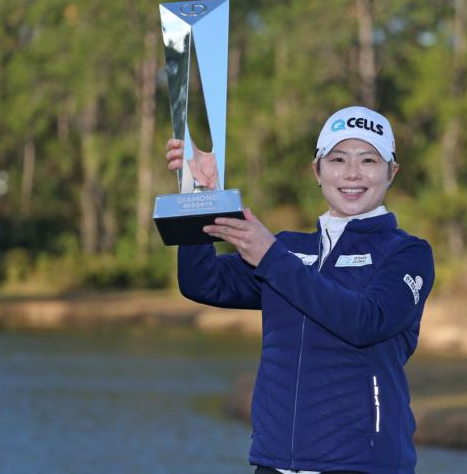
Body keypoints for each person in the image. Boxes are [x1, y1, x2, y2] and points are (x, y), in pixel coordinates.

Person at [166, 106, 435, 474]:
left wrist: (271, 257)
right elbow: (202, 281)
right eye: (337, 159)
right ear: (317, 171)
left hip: (363, 464)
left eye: (369, 160)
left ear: (392, 173)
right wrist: (200, 194)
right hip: (274, 463)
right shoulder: (289, 249)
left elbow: (366, 322)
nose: (352, 173)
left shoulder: (407, 253)